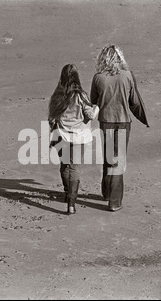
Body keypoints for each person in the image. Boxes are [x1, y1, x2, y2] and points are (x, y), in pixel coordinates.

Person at [90, 44, 149, 212]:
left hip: (105, 121)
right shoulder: (127, 76)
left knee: (109, 156)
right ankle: (115, 202)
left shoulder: (98, 77)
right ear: (120, 58)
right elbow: (135, 101)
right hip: (123, 122)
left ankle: (107, 193)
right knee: (118, 160)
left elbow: (93, 101)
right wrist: (143, 118)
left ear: (103, 58)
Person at [48, 64, 99, 215]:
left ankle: (66, 192)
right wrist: (96, 107)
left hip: (60, 136)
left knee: (65, 166)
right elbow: (90, 115)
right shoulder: (81, 96)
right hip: (79, 138)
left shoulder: (57, 95)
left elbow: (51, 118)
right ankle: (71, 203)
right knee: (74, 167)